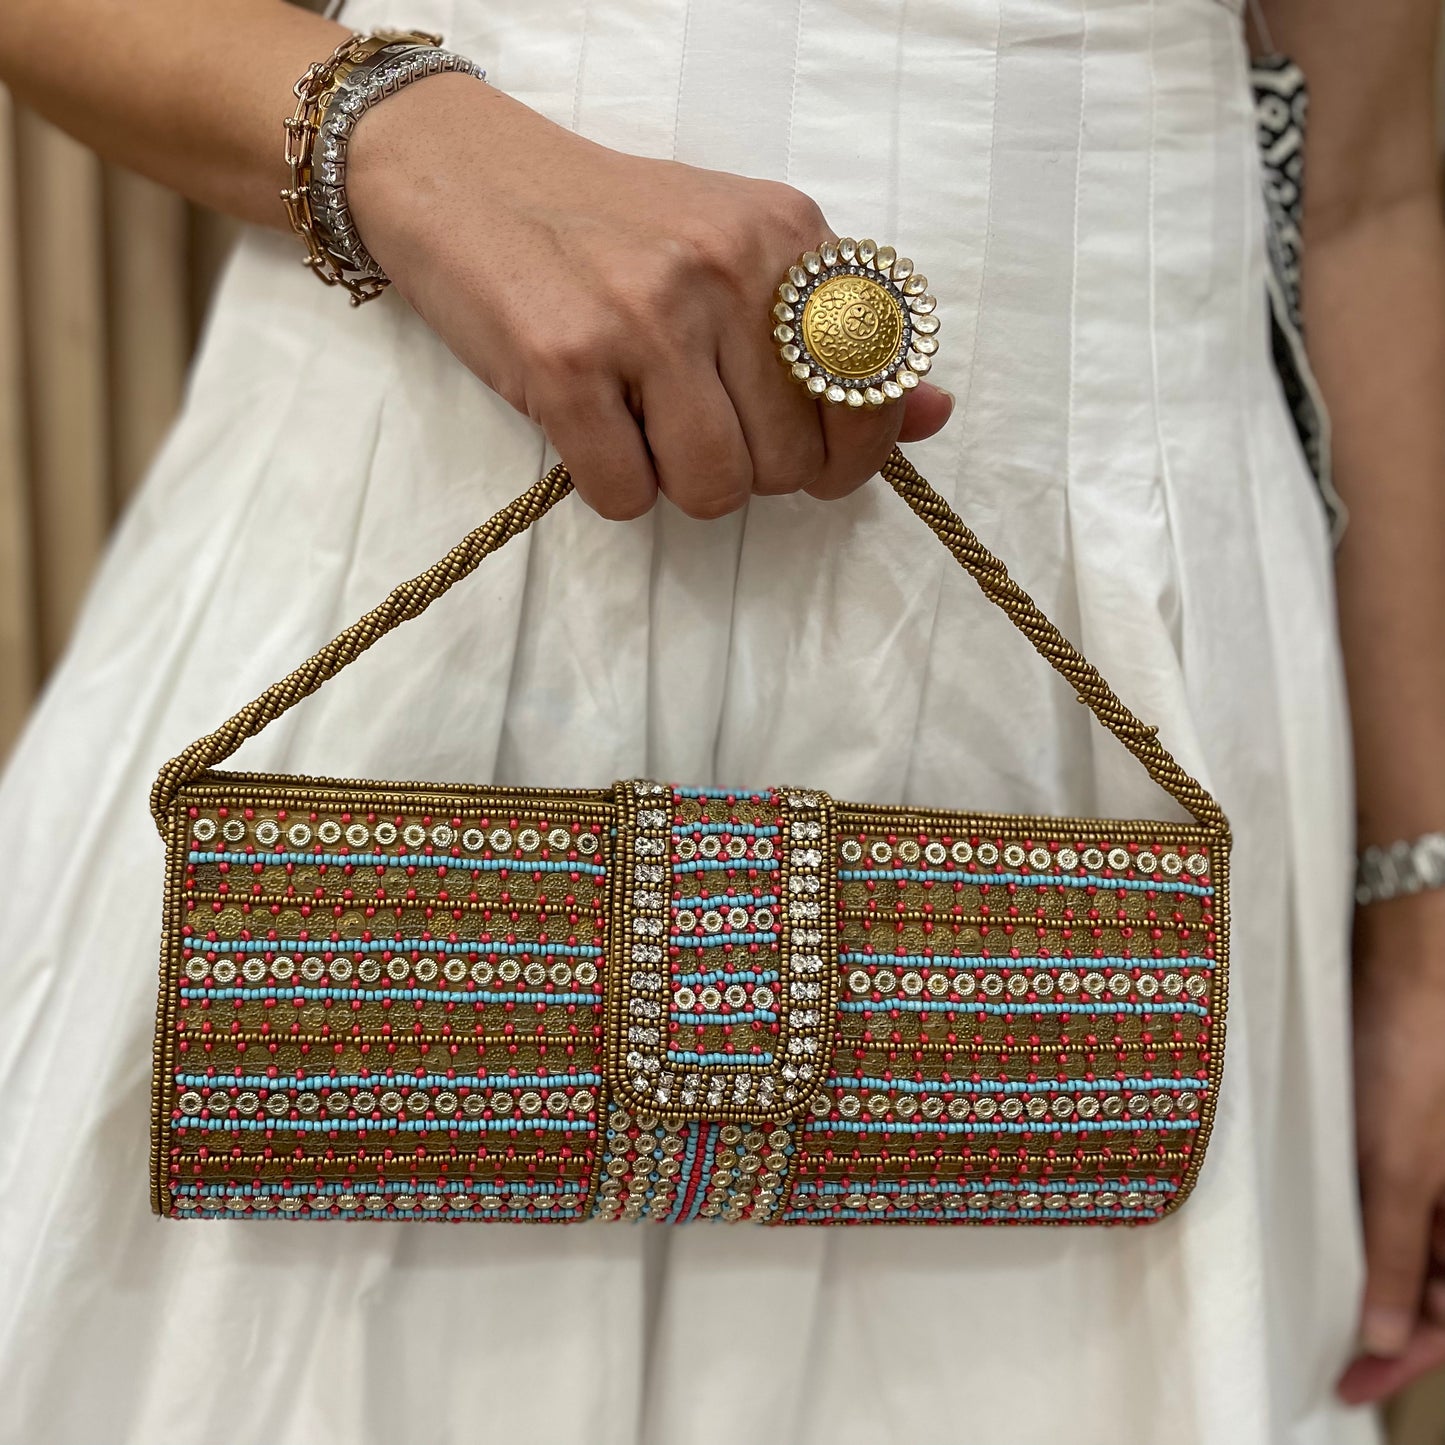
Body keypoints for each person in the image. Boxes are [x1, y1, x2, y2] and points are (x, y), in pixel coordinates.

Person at [0, 0, 1441, 1440]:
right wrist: (409, 141)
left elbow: (1362, 192)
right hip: (426, 454)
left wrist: (1419, 934)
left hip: (1122, 574)